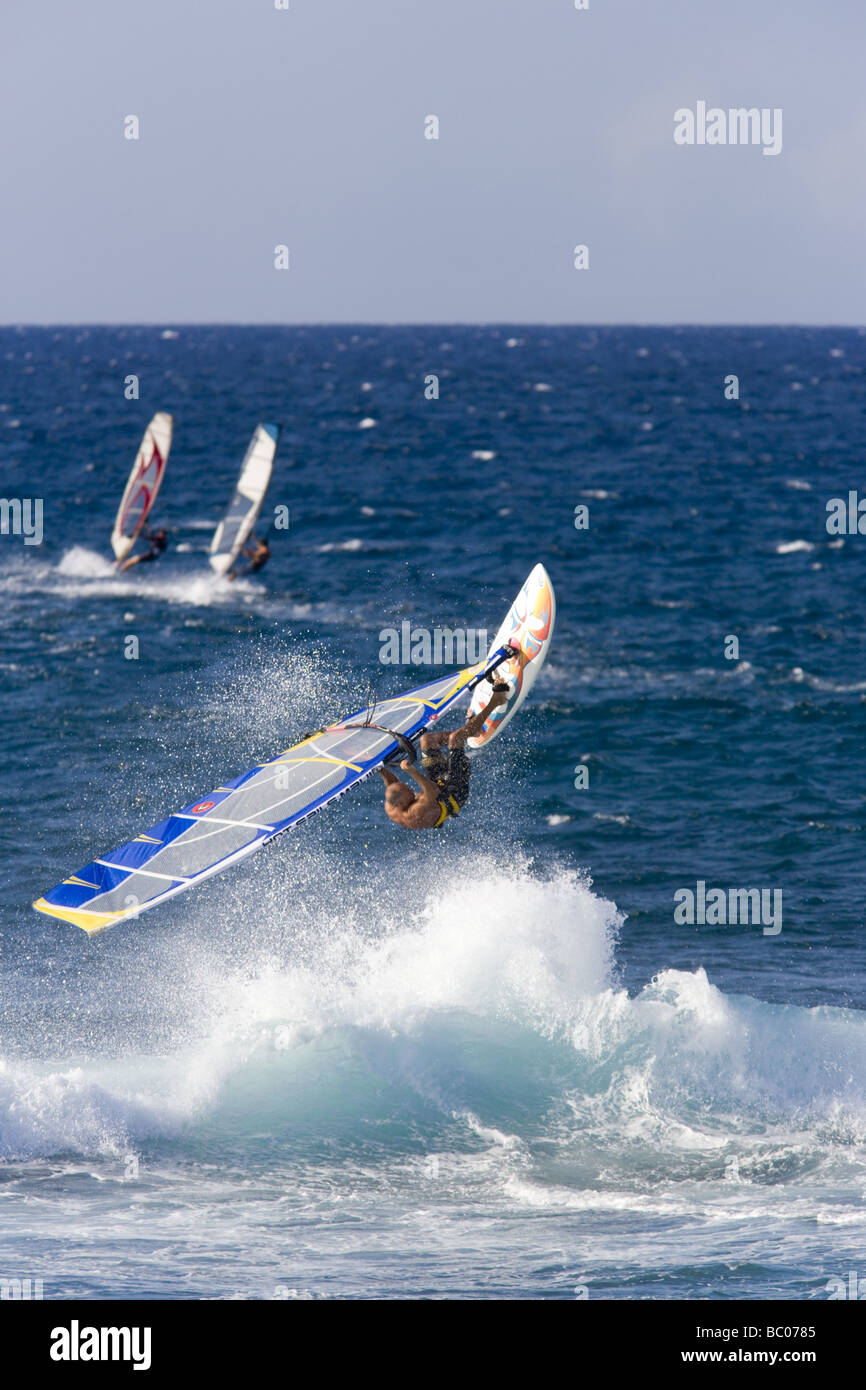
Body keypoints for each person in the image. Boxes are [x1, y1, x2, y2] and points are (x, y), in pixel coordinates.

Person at [378, 685, 509, 830]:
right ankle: (497, 700)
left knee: (427, 740)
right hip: (454, 792)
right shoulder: (415, 813)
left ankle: (472, 729)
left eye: (406, 787)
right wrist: (411, 771)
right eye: (408, 791)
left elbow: (391, 783)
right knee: (456, 739)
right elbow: (433, 791)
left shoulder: (392, 803)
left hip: (438, 784)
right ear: (401, 804)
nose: (410, 789)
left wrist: (379, 767)